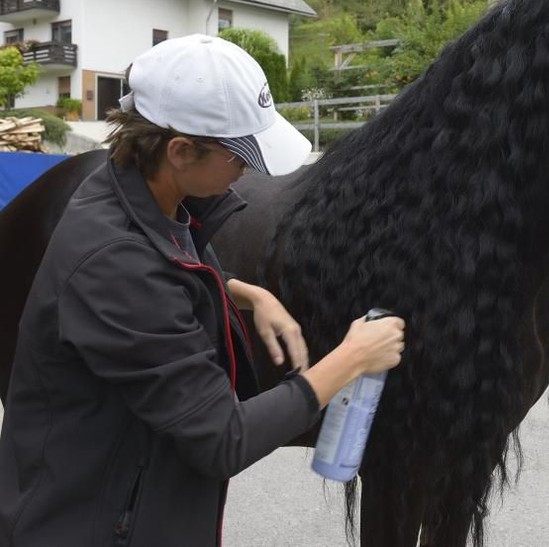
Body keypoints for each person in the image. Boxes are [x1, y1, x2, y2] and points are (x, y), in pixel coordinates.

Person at [0, 34, 406, 546]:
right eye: (240, 155)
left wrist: (245, 292)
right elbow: (222, 439)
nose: (249, 170)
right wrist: (350, 359)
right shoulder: (116, 263)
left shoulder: (130, 191)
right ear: (180, 149)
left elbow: (168, 259)